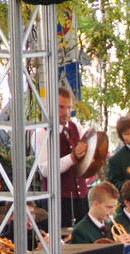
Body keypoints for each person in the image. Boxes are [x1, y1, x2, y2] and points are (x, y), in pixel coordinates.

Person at [35, 87, 89, 230]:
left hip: (81, 198)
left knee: (83, 239)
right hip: (57, 199)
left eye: (69, 108)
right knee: (59, 239)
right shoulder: (41, 133)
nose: (66, 112)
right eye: (61, 107)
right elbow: (45, 169)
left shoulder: (77, 128)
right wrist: (72, 157)